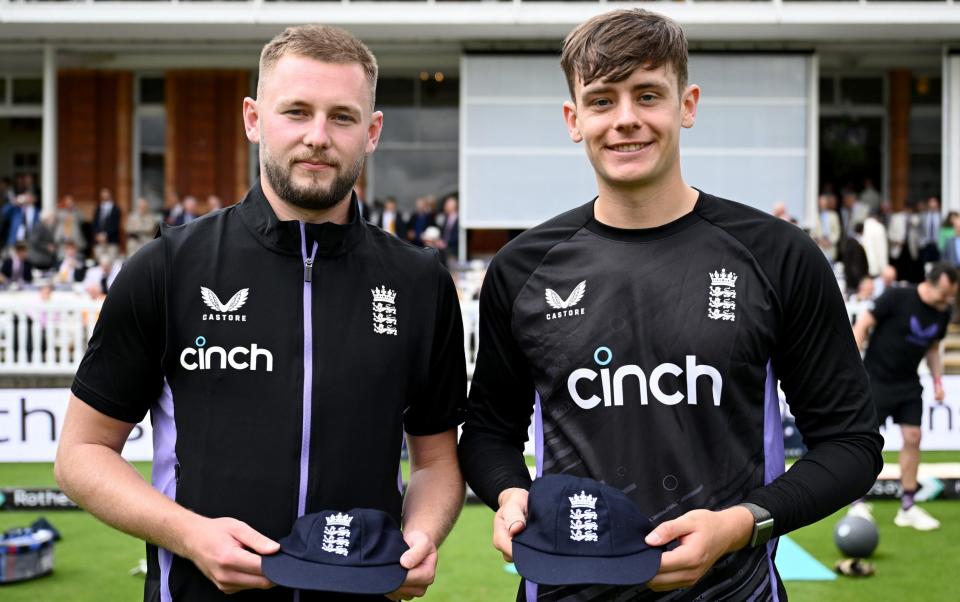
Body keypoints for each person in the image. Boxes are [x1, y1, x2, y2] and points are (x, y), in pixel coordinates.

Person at [458, 9, 883, 601]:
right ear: (573, 119)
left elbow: (852, 445)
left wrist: (740, 526)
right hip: (564, 588)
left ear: (687, 105)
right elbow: (486, 435)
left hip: (732, 591)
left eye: (648, 95)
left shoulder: (778, 255)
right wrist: (509, 495)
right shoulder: (522, 268)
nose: (626, 120)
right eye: (602, 100)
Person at [55, 24, 466, 602]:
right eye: (296, 111)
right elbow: (81, 453)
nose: (317, 137)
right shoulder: (168, 266)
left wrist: (420, 537)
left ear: (371, 132)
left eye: (342, 117)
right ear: (253, 119)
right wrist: (191, 535)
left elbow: (435, 462)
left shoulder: (419, 281)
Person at [852, 263, 956, 531]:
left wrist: (937, 380)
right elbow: (864, 323)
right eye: (944, 293)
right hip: (876, 379)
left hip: (909, 383)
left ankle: (907, 506)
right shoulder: (898, 296)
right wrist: (852, 367)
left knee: (914, 437)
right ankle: (857, 501)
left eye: (951, 294)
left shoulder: (943, 312)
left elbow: (933, 347)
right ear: (929, 282)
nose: (946, 299)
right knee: (866, 440)